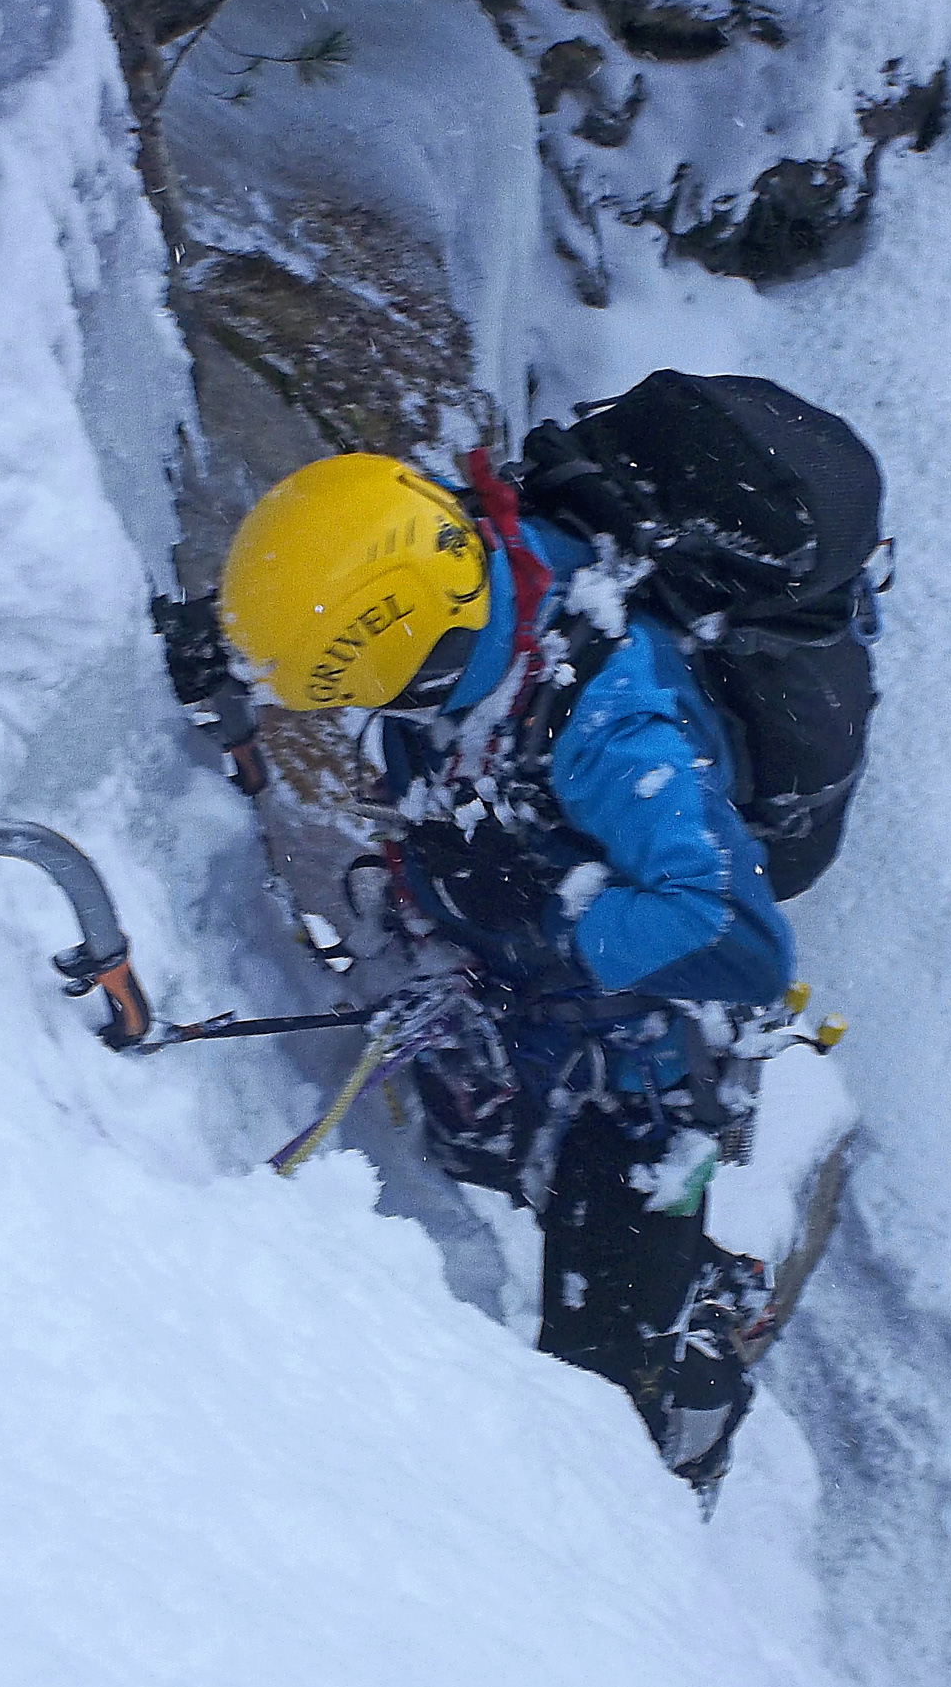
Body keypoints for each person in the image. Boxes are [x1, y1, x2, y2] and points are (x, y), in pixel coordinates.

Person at [214, 449, 797, 1497]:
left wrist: (544, 908)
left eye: (358, 690)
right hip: (525, 1003)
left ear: (416, 653)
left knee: (603, 1418)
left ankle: (685, 1427)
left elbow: (743, 941)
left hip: (637, 1079)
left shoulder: (611, 729)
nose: (353, 716)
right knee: (469, 1147)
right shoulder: (480, 571)